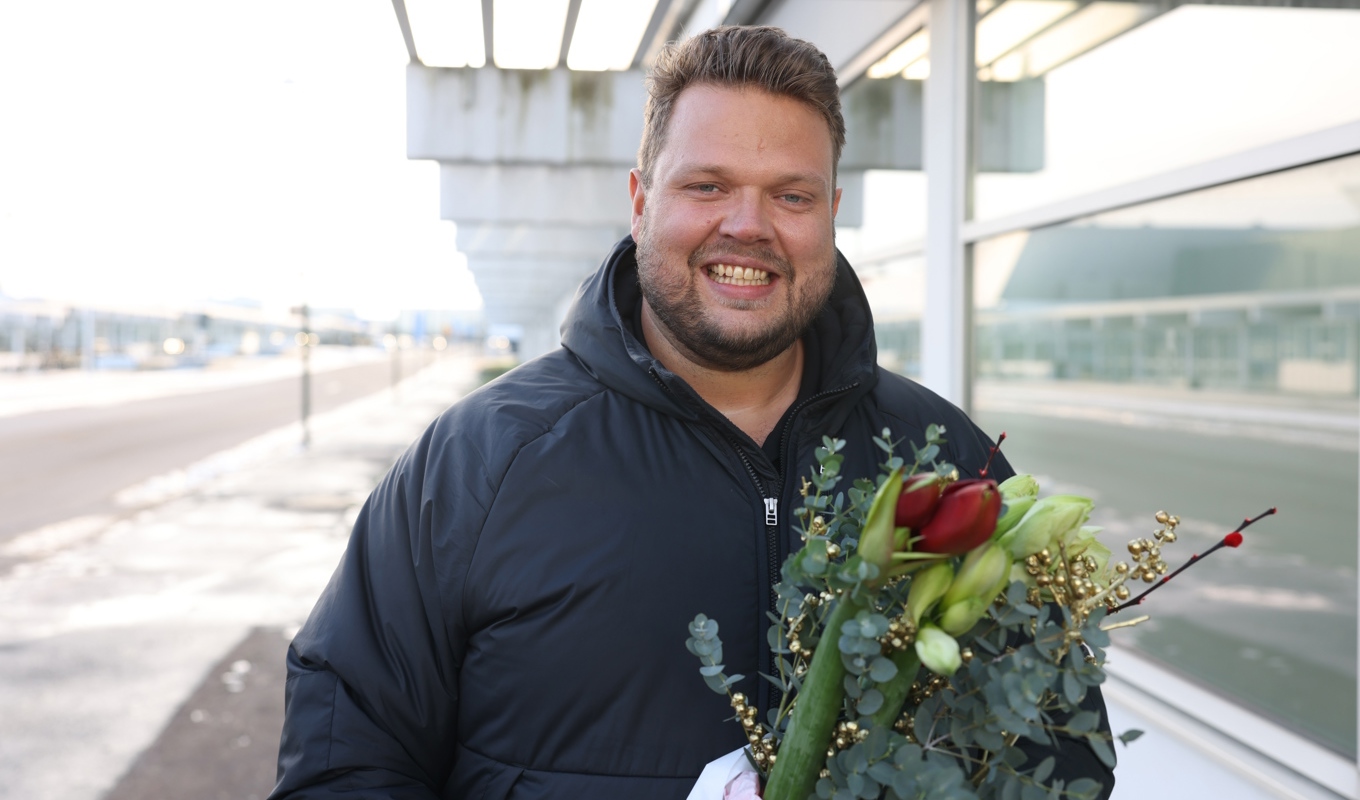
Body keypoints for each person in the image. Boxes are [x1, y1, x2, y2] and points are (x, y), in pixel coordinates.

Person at [270, 26, 1114, 800]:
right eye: (707, 185)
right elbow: (346, 757)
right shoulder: (481, 462)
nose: (747, 227)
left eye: (791, 196)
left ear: (830, 215)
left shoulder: (944, 462)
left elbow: (1059, 756)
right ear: (640, 200)